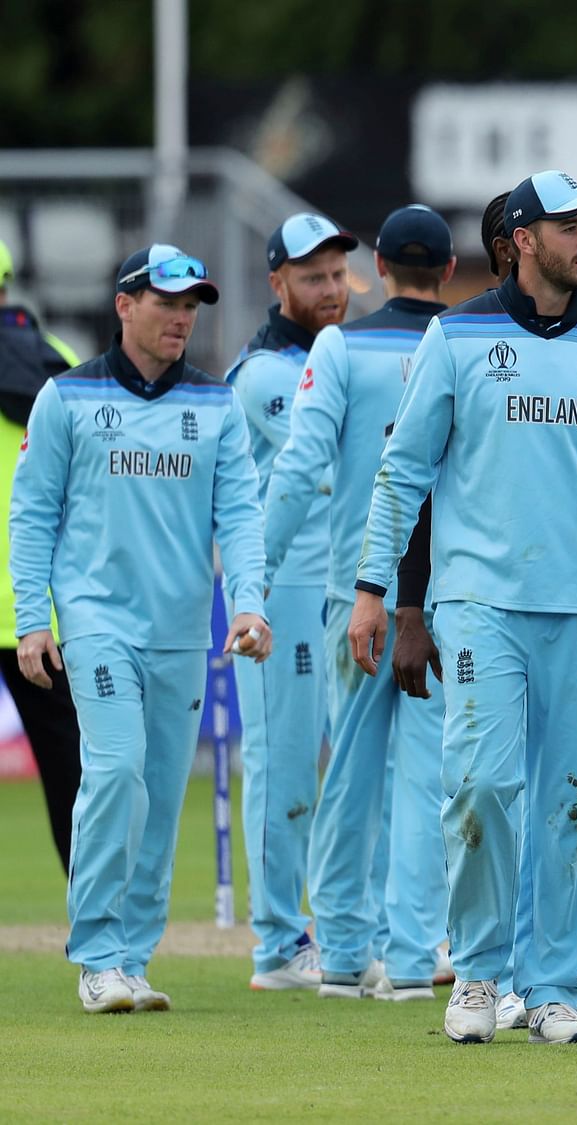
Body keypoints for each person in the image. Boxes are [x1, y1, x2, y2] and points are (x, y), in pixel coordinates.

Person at [350, 169, 577, 1046]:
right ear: (522, 239)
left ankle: (553, 989)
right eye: (570, 225)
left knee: (574, 801)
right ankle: (480, 972)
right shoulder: (457, 338)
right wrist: (374, 589)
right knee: (484, 782)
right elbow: (403, 472)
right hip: (479, 601)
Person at [10, 244, 271, 1013]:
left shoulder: (216, 404)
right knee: (116, 769)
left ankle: (132, 955)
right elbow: (31, 518)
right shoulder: (65, 397)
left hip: (181, 627)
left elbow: (241, 515)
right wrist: (33, 622)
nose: (182, 318)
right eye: (167, 304)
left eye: (192, 306)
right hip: (95, 621)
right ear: (126, 306)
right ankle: (96, 953)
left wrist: (248, 602)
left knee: (157, 794)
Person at [263, 205, 457, 1001]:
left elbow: (298, 464)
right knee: (424, 776)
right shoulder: (472, 341)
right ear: (450, 271)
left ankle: (343, 948)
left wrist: (256, 581)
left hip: (358, 590)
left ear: (376, 267)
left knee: (350, 771)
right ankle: (414, 955)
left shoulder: (341, 346)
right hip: (449, 593)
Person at [232, 212, 356, 993]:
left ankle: (349, 925)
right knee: (284, 765)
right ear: (278, 283)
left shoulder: (336, 359)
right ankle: (279, 942)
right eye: (314, 277)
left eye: (340, 274)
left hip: (339, 581)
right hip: (282, 585)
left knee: (347, 767)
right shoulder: (268, 375)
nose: (332, 290)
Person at [0, 235, 83, 874]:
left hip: (36, 609)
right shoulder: (61, 359)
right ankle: (103, 934)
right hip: (44, 610)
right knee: (74, 784)